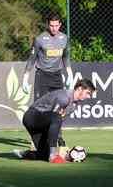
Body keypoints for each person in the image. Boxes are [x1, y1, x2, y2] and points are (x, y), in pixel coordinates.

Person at [13, 78, 96, 163]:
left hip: (43, 123)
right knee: (56, 117)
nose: (89, 97)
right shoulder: (64, 97)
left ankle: (24, 154)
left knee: (44, 155)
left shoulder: (73, 106)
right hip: (32, 117)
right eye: (88, 93)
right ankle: (52, 156)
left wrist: (59, 143)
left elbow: (56, 124)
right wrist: (60, 143)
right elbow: (55, 117)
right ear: (80, 89)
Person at [22, 12, 73, 147]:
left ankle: (58, 137)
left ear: (60, 25)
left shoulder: (64, 38)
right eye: (51, 25)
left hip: (57, 76)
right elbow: (32, 59)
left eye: (56, 25)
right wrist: (25, 78)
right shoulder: (40, 39)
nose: (54, 28)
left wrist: (70, 75)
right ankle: (36, 140)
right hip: (42, 76)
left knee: (60, 107)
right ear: (48, 25)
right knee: (40, 109)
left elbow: (66, 57)